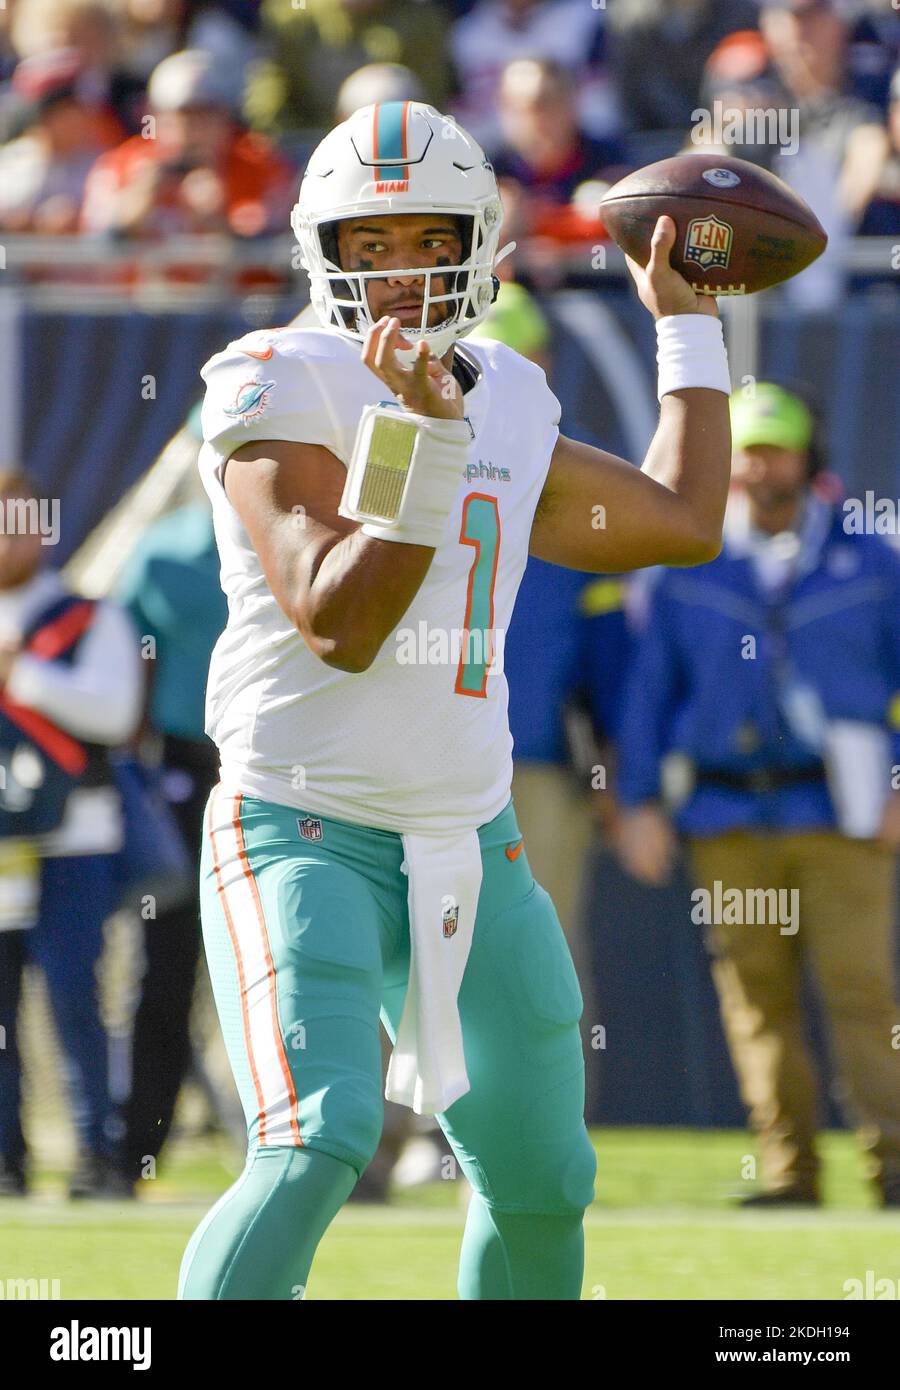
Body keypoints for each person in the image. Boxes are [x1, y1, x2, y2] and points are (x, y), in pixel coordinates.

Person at [177, 98, 732, 1301]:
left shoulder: (514, 393)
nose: (396, 273)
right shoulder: (273, 377)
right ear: (320, 251)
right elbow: (340, 619)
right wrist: (422, 447)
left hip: (472, 841)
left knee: (541, 1182)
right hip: (298, 825)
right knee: (312, 1142)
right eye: (366, 246)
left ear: (474, 240)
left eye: (423, 238)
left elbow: (682, 522)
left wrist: (689, 335)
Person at [614, 383, 900, 1208]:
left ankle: (895, 1169)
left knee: (863, 994)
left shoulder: (872, 559)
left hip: (841, 814)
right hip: (726, 812)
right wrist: (637, 800)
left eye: (772, 450)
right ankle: (789, 1174)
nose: (755, 467)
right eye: (742, 451)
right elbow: (649, 695)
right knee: (755, 1002)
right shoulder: (688, 565)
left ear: (810, 459)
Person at [0, 468, 143, 1198]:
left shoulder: (88, 616)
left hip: (74, 838)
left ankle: (98, 1156)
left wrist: (25, 676)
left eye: (23, 521)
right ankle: (6, 1161)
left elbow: (114, 715)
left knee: (73, 997)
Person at [113, 482, 228, 1190]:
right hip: (187, 776)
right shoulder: (165, 547)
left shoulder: (318, 528)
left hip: (279, 770)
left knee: (291, 966)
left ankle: (302, 1153)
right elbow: (127, 662)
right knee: (168, 967)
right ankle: (136, 1151)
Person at [80, 47, 293, 240]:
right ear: (155, 116)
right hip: (147, 283)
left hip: (223, 283)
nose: (192, 129)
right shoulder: (120, 166)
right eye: (181, 115)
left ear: (225, 117)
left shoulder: (262, 166)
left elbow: (284, 255)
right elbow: (84, 248)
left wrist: (222, 225)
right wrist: (127, 217)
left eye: (204, 114)